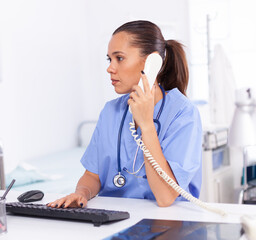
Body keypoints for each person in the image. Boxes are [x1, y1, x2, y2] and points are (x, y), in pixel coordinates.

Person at [47, 20, 202, 209]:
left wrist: (146, 124)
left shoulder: (183, 113)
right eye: (109, 59)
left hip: (168, 221)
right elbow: (92, 175)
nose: (110, 68)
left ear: (151, 62)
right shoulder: (110, 111)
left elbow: (165, 197)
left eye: (119, 58)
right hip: (114, 217)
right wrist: (81, 193)